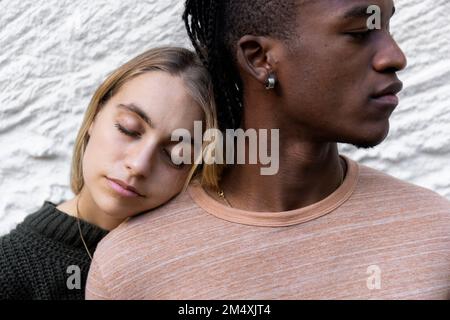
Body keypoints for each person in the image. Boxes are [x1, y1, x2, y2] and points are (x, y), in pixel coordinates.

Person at [86, 0, 450, 299]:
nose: (394, 56)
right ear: (259, 59)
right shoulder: (129, 267)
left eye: (387, 27)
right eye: (358, 33)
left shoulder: (437, 233)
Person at [0, 47, 219, 299]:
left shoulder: (194, 263)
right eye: (128, 129)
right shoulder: (9, 272)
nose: (138, 165)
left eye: (176, 155)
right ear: (95, 115)